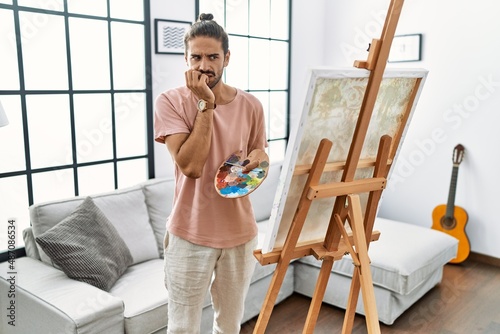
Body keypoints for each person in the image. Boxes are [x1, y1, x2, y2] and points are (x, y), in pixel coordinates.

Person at [154, 13, 268, 334]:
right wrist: (206, 104)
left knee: (229, 325)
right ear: (186, 58)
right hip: (189, 235)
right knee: (182, 328)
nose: (204, 65)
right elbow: (190, 167)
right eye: (197, 57)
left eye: (213, 56)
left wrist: (252, 172)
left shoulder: (252, 106)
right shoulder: (171, 102)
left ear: (227, 58)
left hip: (240, 236)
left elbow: (259, 155)